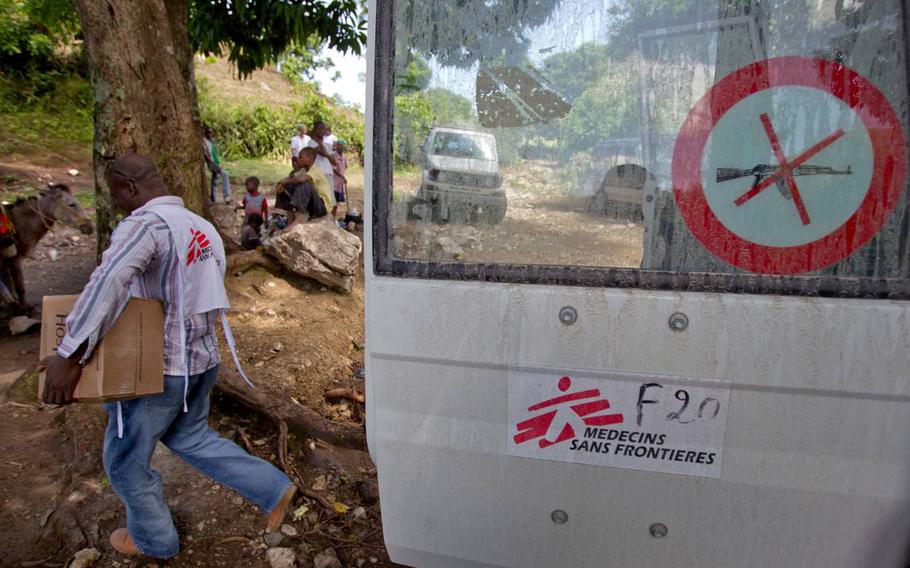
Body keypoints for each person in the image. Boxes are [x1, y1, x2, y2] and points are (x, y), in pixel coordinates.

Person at [39, 154, 296, 559]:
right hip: (202, 363)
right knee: (190, 436)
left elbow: (107, 285)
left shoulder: (144, 226)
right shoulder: (202, 227)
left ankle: (154, 541)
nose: (118, 203)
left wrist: (68, 353)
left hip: (157, 372)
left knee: (125, 460)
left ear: (130, 188)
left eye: (116, 194)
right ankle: (273, 488)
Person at [276, 148, 333, 223]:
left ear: (310, 158)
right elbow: (290, 178)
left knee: (305, 184)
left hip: (322, 207)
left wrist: (285, 182)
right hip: (312, 205)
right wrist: (281, 183)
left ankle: (301, 216)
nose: (298, 160)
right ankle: (290, 218)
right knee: (286, 187)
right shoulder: (303, 170)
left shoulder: (316, 170)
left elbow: (301, 180)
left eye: (301, 157)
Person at [306, 121, 337, 205]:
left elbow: (334, 162)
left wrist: (328, 155)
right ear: (315, 130)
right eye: (321, 128)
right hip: (317, 172)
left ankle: (330, 218)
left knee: (330, 199)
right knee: (319, 197)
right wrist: (316, 140)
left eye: (324, 128)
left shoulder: (327, 144)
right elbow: (321, 152)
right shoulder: (311, 142)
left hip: (328, 172)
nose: (323, 130)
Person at [203, 128, 231, 203]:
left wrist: (219, 163)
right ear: (205, 133)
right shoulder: (204, 142)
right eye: (208, 132)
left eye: (211, 132)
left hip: (216, 162)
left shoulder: (212, 142)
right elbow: (206, 154)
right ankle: (226, 196)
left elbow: (214, 154)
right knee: (225, 174)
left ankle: (213, 198)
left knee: (214, 180)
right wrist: (213, 163)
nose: (210, 134)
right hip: (212, 163)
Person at [332, 140, 349, 214]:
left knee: (337, 201)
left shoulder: (344, 156)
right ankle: (331, 217)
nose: (340, 147)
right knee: (333, 201)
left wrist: (342, 177)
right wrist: (343, 177)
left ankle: (333, 217)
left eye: (341, 146)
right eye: (338, 146)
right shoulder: (333, 155)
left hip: (340, 183)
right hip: (334, 182)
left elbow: (345, 166)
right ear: (336, 146)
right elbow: (333, 169)